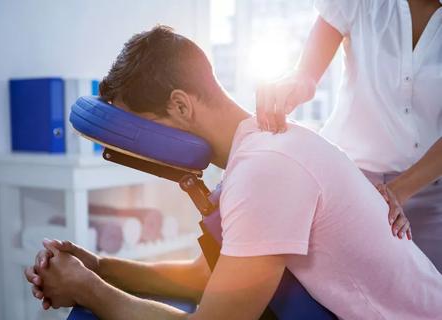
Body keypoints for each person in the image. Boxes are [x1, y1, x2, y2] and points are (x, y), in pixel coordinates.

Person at [24, 26, 442, 320]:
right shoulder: (258, 151)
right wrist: (100, 267)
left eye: (141, 129)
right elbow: (209, 277)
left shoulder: (266, 170)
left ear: (181, 106)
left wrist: (88, 291)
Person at [256, 0, 442, 269]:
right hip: (350, 181)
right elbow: (306, 75)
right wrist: (292, 86)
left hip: (426, 190)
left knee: (431, 300)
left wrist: (397, 193)